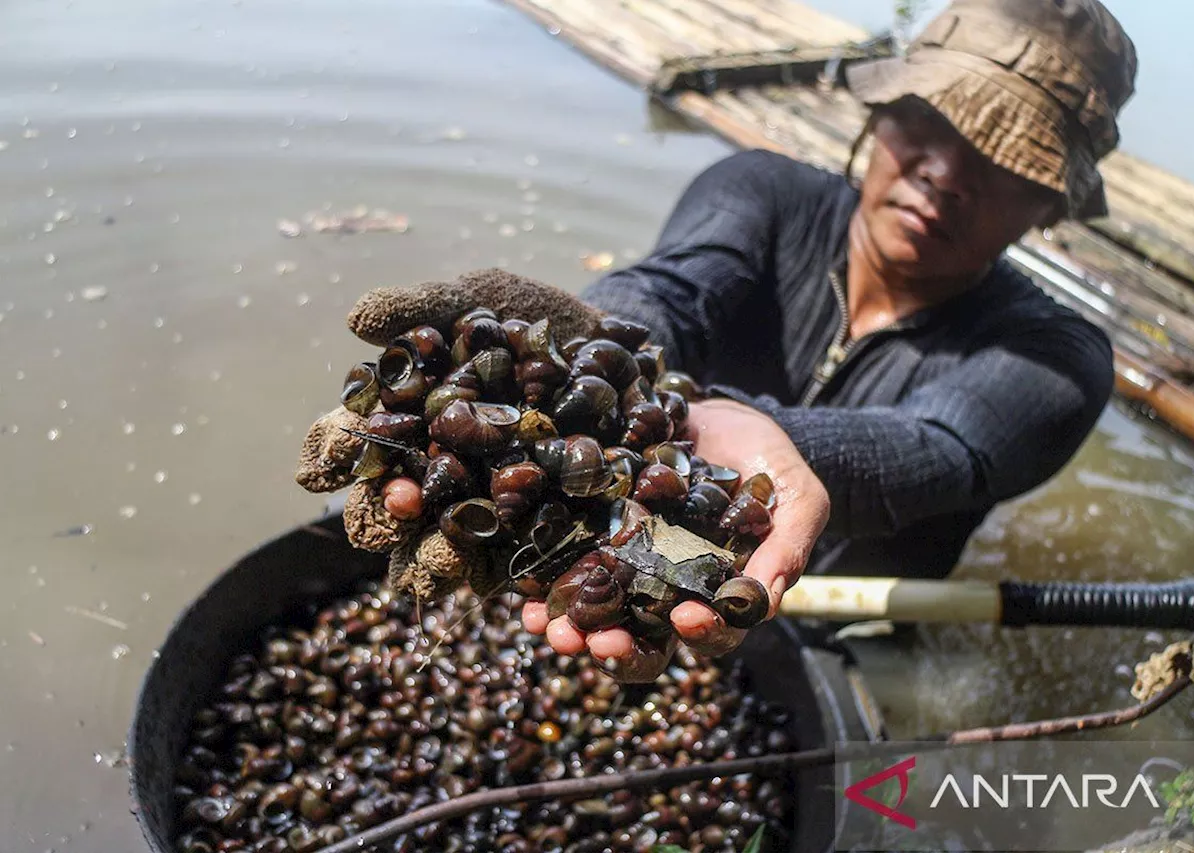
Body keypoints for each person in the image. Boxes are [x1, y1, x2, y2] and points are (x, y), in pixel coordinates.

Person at [326, 0, 1138, 682]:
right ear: (881, 110)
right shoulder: (762, 189)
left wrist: (719, 442)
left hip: (834, 622)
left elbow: (924, 450)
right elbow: (671, 290)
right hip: (642, 564)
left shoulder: (1057, 359)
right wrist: (590, 345)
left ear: (1053, 206)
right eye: (930, 117)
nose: (946, 171)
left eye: (1002, 158)